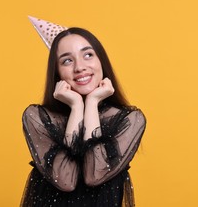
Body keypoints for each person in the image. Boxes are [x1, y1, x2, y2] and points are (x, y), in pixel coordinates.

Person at [21, 18, 146, 207]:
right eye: (67, 60)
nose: (79, 67)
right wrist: (77, 106)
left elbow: (94, 173)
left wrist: (93, 102)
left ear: (101, 61)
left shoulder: (129, 119)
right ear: (57, 72)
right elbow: (65, 179)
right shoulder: (37, 117)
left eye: (88, 55)